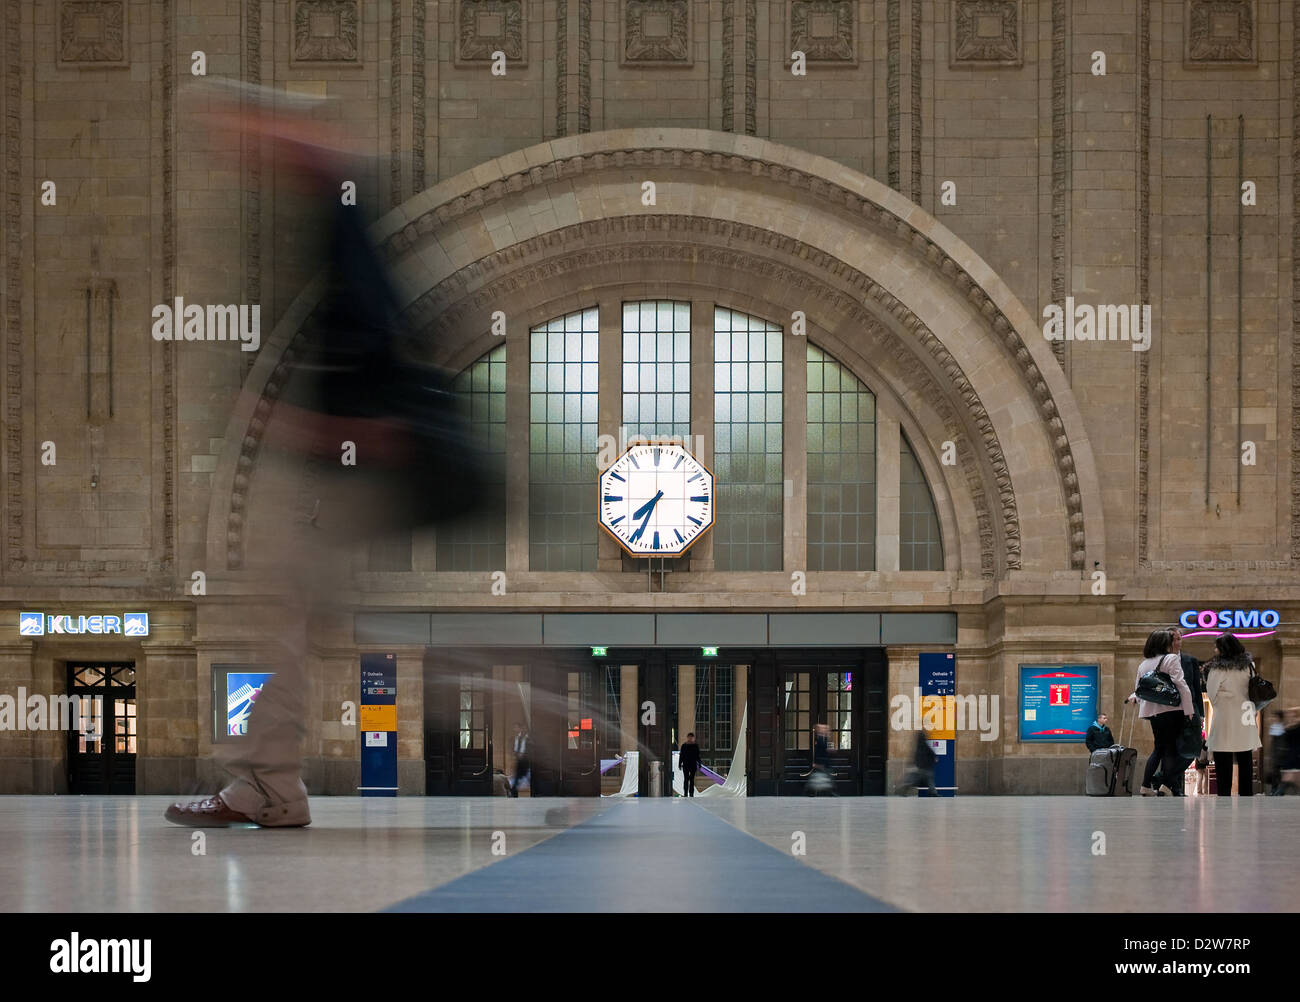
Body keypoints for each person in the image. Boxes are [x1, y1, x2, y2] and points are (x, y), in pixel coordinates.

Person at [1126, 628, 1195, 797]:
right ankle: (1166, 785)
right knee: (1171, 749)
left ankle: (1145, 785)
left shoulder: (1144, 664)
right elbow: (1181, 685)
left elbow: (1139, 690)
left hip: (1153, 713)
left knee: (1159, 748)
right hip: (1172, 710)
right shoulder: (1170, 658)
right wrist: (1189, 710)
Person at [1204, 633, 1261, 797]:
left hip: (1225, 713)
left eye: (1217, 646)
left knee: (1223, 755)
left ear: (1223, 649)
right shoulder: (1249, 665)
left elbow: (1212, 692)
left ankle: (1224, 794)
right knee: (1245, 756)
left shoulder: (1217, 668)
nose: (1215, 650)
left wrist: (1222, 701)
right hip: (1246, 712)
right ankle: (1246, 795)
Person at [895, 730, 938, 796]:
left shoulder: (918, 745)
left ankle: (932, 792)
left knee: (917, 779)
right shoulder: (924, 744)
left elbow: (915, 754)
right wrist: (934, 757)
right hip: (924, 766)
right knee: (928, 777)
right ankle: (932, 792)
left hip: (919, 765)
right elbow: (930, 751)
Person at [510, 723, 531, 797]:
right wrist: (516, 755)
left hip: (526, 759)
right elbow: (515, 747)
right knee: (519, 775)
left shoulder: (528, 738)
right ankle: (514, 791)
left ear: (521, 728)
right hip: (520, 759)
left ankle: (513, 791)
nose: (514, 729)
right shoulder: (516, 737)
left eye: (516, 728)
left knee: (523, 775)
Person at [679, 732, 700, 797]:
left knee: (692, 779)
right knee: (686, 779)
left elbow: (698, 755)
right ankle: (685, 793)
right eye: (689, 737)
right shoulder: (684, 746)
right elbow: (681, 755)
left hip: (693, 764)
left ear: (693, 738)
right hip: (686, 764)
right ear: (687, 737)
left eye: (691, 737)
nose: (690, 738)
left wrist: (699, 763)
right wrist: (679, 763)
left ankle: (691, 793)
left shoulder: (696, 746)